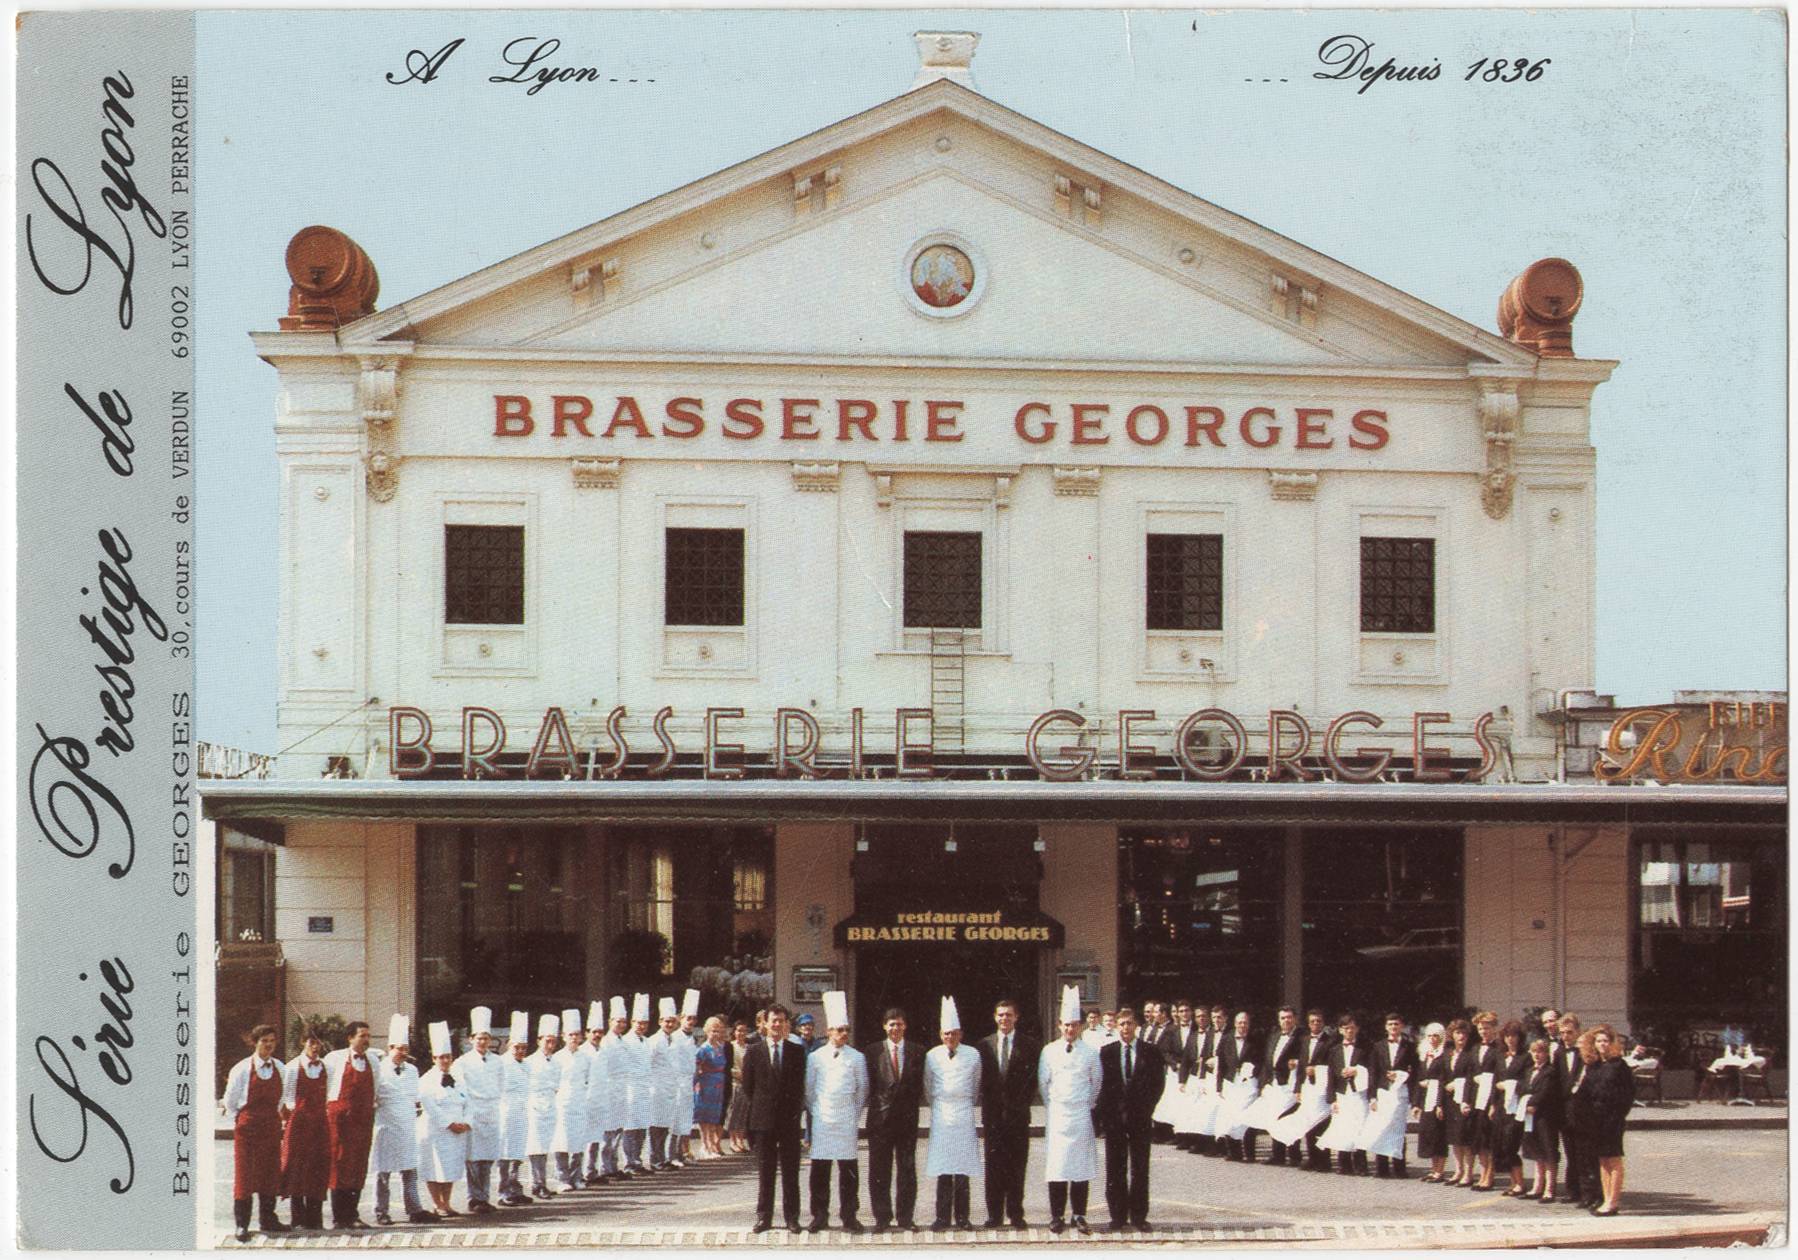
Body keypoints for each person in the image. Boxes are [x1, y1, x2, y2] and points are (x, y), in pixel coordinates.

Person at [805, 990, 870, 1231]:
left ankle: (849, 1215)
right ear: (829, 1031)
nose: (843, 1034)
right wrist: (818, 1111)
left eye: (846, 1030)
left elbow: (862, 1089)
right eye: (839, 1029)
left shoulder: (857, 1057)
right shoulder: (815, 1057)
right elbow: (809, 1091)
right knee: (820, 1170)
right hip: (822, 1118)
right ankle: (820, 1215)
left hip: (846, 1118)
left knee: (848, 1171)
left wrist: (852, 1114)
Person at [1039, 985, 1102, 1235]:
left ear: (1081, 1026)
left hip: (1080, 1114)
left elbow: (1096, 1083)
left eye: (1074, 1024)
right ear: (1059, 1025)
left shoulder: (1090, 1053)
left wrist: (1086, 1105)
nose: (1070, 1029)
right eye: (1066, 1024)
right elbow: (1044, 1084)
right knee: (1057, 1167)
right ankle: (1056, 1216)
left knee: (1080, 1168)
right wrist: (1054, 1106)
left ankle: (1079, 1215)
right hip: (1058, 1114)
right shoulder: (1049, 1051)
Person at [1097, 1006, 1163, 1232]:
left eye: (1129, 1023)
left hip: (1140, 1118)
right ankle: (1117, 1215)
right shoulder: (1106, 1052)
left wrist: (1147, 1109)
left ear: (1136, 1026)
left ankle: (1138, 1216)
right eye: (1122, 1024)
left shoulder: (1151, 1052)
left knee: (1139, 1168)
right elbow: (1102, 1087)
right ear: (1116, 1026)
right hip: (1115, 1120)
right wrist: (1105, 1117)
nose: (1126, 1028)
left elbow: (1158, 1084)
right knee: (1115, 1168)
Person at [744, 1003, 808, 1232]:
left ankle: (792, 1218)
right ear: (765, 1023)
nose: (777, 1025)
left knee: (791, 1172)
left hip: (788, 1121)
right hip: (763, 1121)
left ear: (787, 1024)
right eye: (774, 1021)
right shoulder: (753, 1051)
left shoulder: (796, 1051)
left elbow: (800, 1087)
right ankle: (764, 1217)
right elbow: (748, 1087)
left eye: (782, 1021)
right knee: (765, 1171)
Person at [976, 997, 1039, 1228]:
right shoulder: (983, 1046)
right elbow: (980, 1081)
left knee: (1016, 1166)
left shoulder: (1031, 1045)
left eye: (1009, 1015)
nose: (1005, 1019)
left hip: (1017, 1116)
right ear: (995, 1017)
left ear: (1016, 1017)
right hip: (993, 1117)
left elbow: (1033, 1082)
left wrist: (1019, 1105)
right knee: (993, 1166)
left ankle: (1015, 1213)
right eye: (1001, 1015)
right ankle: (994, 1215)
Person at [225, 1023, 290, 1241]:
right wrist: (243, 1120)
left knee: (269, 1175)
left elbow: (281, 1099)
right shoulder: (242, 1069)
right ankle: (242, 1224)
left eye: (272, 1041)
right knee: (245, 1176)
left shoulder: (280, 1068)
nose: (269, 1045)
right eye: (264, 1041)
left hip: (270, 1128)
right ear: (255, 1043)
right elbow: (230, 1101)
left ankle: (268, 1219)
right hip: (248, 1129)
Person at [924, 996, 983, 1230]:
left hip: (963, 1113)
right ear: (941, 1034)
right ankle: (941, 1218)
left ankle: (962, 1218)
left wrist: (966, 1102)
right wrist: (938, 1104)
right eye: (946, 1033)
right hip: (941, 1113)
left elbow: (976, 1084)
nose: (950, 1037)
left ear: (961, 1034)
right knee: (943, 1168)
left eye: (954, 1033)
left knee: (962, 1168)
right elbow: (928, 1086)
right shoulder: (932, 1055)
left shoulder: (973, 1054)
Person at [864, 1006, 924, 1232]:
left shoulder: (918, 1051)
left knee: (907, 1170)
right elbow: (868, 1084)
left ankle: (906, 1218)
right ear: (884, 1026)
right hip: (880, 1120)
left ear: (905, 1026)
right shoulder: (872, 1051)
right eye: (891, 1024)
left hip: (907, 1120)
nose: (895, 1028)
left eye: (899, 1024)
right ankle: (882, 1218)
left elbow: (920, 1086)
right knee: (879, 1171)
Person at [371, 1014, 433, 1226]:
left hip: (407, 1125)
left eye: (406, 1049)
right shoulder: (379, 1069)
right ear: (390, 1048)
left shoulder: (413, 1071)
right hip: (386, 1126)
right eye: (400, 1048)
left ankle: (414, 1209)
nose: (404, 1053)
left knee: (410, 1170)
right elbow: (374, 1097)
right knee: (383, 1172)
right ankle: (381, 1211)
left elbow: (414, 1098)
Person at [323, 1020, 378, 1230]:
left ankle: (353, 1214)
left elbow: (376, 1089)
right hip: (341, 1120)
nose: (366, 1040)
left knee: (358, 1166)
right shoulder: (335, 1058)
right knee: (339, 1165)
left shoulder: (372, 1061)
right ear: (350, 1038)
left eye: (367, 1036)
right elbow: (326, 1085)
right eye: (362, 1036)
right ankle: (339, 1217)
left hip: (362, 1120)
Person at [417, 1021, 472, 1217]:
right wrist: (449, 1124)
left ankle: (447, 1203)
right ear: (434, 1058)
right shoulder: (426, 1080)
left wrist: (466, 1122)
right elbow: (429, 1105)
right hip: (436, 1131)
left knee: (450, 1167)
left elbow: (468, 1102)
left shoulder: (459, 1079)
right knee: (434, 1167)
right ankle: (437, 1203)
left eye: (448, 1057)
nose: (445, 1060)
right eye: (441, 1057)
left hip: (457, 1131)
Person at [280, 1026, 332, 1232]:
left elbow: (327, 1093)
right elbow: (287, 1097)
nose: (315, 1047)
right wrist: (296, 1117)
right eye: (311, 1042)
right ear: (303, 1043)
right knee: (297, 1170)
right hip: (299, 1124)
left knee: (317, 1170)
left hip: (319, 1124)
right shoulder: (292, 1067)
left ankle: (315, 1218)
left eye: (318, 1043)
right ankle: (298, 1218)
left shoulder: (325, 1067)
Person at [453, 1006, 502, 1214]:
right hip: (473, 1111)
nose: (482, 1042)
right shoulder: (462, 1062)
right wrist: (466, 1110)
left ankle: (484, 1196)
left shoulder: (498, 1061)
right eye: (479, 1038)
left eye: (486, 1038)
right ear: (471, 1039)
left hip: (491, 1111)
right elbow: (459, 1089)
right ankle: (474, 1198)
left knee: (488, 1159)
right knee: (473, 1159)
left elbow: (502, 1084)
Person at [1364, 1012, 1419, 1179]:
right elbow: (1372, 1073)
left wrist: (1402, 1075)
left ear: (1401, 1026)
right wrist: (1372, 1097)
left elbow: (1415, 1072)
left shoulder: (1409, 1046)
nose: (1393, 1027)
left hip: (1400, 1093)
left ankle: (1399, 1167)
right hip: (1383, 1093)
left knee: (1398, 1130)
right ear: (1386, 1027)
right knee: (1381, 1127)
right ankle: (1382, 1168)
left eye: (1396, 1024)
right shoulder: (1378, 1046)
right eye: (1390, 1025)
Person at [1587, 1026, 1634, 1215]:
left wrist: (1619, 1113)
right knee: (1602, 1160)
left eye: (1605, 1041)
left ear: (1612, 1043)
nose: (1602, 1044)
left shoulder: (1619, 1065)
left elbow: (1629, 1093)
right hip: (1596, 1118)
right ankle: (1606, 1199)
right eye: (1598, 1041)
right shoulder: (1594, 1065)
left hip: (1613, 1117)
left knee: (1614, 1159)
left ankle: (1613, 1202)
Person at [1319, 1011, 1373, 1176]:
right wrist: (1332, 1099)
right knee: (1342, 1128)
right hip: (1342, 1094)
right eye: (1346, 1028)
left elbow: (1371, 1071)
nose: (1349, 1031)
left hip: (1358, 1094)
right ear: (1341, 1030)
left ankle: (1361, 1165)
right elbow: (1331, 1075)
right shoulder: (1334, 1050)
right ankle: (1345, 1165)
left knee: (1359, 1128)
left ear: (1357, 1029)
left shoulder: (1365, 1049)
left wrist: (1357, 1071)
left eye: (1352, 1028)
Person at [1256, 1007, 1305, 1167]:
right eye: (1283, 1018)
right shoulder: (1274, 1036)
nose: (1286, 1021)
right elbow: (1267, 1061)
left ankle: (1294, 1155)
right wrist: (1263, 1083)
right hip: (1274, 1084)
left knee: (1288, 1118)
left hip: (1290, 1084)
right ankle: (1278, 1155)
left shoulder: (1302, 1037)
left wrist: (1297, 1063)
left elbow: (1307, 1058)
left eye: (1289, 1017)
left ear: (1295, 1019)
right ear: (1279, 1020)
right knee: (1275, 1117)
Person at [1216, 1010, 1264, 1162]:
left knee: (1248, 1117)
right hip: (1231, 1082)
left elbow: (1262, 1063)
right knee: (1230, 1115)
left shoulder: (1256, 1040)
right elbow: (1221, 1064)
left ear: (1249, 1024)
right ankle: (1234, 1152)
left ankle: (1250, 1154)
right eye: (1240, 1022)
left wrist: (1256, 1076)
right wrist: (1219, 1086)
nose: (1242, 1025)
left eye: (1245, 1022)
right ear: (1235, 1024)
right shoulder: (1226, 1039)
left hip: (1249, 1083)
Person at [495, 1011, 533, 1206]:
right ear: (509, 1045)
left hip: (522, 1112)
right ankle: (504, 1191)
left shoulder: (527, 1066)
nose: (520, 1051)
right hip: (506, 1112)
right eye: (517, 1047)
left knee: (517, 1154)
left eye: (524, 1048)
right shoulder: (501, 1064)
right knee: (505, 1153)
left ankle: (515, 1187)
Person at [524, 1013, 563, 1197]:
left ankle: (542, 1183)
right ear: (539, 1040)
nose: (550, 1045)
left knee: (544, 1148)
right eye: (547, 1041)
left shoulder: (556, 1062)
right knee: (535, 1148)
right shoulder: (529, 1062)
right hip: (534, 1107)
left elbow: (556, 1086)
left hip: (549, 1107)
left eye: (553, 1041)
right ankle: (536, 1184)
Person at [552, 1005, 590, 1189]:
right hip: (562, 1104)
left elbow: (588, 1079)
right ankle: (563, 1179)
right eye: (570, 1035)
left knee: (578, 1142)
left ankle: (577, 1176)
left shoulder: (585, 1057)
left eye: (577, 1034)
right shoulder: (557, 1058)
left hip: (580, 1102)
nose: (574, 1038)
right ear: (563, 1036)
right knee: (562, 1142)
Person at [1519, 1038, 1560, 1201]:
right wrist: (1525, 1103)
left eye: (1541, 1052)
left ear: (1546, 1054)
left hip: (1545, 1117)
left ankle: (1549, 1189)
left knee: (1548, 1151)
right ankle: (1537, 1186)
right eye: (1534, 1051)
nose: (1537, 1055)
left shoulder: (1550, 1071)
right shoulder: (1529, 1071)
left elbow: (1546, 1092)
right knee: (1537, 1152)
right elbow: (1523, 1088)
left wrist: (1532, 1103)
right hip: (1530, 1117)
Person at [596, 996, 632, 1180]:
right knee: (607, 1132)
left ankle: (613, 1165)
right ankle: (604, 1167)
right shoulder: (605, 1042)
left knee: (618, 1130)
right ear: (610, 1022)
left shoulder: (623, 1042)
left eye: (624, 1021)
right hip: (609, 1089)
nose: (621, 1024)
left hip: (621, 1089)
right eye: (618, 1021)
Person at [1493, 1020, 1530, 1195]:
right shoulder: (1501, 1056)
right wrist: (1493, 1105)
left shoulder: (1526, 1057)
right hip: (1501, 1106)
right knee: (1502, 1144)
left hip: (1517, 1108)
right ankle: (1513, 1182)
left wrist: (1509, 1085)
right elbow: (1495, 1081)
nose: (1510, 1039)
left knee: (1511, 1144)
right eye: (1507, 1036)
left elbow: (1527, 1082)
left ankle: (1520, 1183)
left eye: (1514, 1036)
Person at [1552, 1013, 1586, 1204]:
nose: (1566, 1036)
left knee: (1583, 1153)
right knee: (1570, 1153)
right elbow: (1556, 1081)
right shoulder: (1558, 1053)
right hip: (1564, 1112)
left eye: (1570, 1032)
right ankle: (1572, 1191)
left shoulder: (1584, 1052)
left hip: (1581, 1111)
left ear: (1578, 1032)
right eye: (1563, 1033)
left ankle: (1585, 1192)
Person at [620, 994, 655, 1175]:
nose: (641, 1026)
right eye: (638, 1022)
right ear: (632, 1022)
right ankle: (628, 1162)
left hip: (644, 1088)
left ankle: (637, 1159)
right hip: (631, 1088)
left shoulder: (648, 1042)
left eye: (644, 1023)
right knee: (630, 1127)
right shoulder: (625, 1042)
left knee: (642, 1127)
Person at [1468, 1011, 1503, 1191]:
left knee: (1489, 1139)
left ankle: (1489, 1176)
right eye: (1481, 1028)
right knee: (1479, 1139)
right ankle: (1482, 1174)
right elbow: (1470, 1073)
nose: (1483, 1031)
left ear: (1494, 1028)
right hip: (1477, 1098)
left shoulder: (1499, 1049)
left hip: (1490, 1098)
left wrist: (1494, 1103)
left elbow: (1499, 1076)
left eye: (1487, 1028)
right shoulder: (1474, 1048)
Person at [647, 997, 683, 1171]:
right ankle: (655, 1159)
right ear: (660, 1021)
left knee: (665, 1125)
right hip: (657, 1088)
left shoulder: (675, 1040)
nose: (670, 1024)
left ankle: (663, 1157)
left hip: (670, 1089)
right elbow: (647, 1064)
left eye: (672, 1022)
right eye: (667, 1021)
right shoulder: (654, 1041)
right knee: (656, 1126)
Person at [1413, 1023, 1450, 1183]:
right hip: (1426, 1098)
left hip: (1438, 1099)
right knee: (1429, 1134)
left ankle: (1440, 1171)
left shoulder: (1445, 1055)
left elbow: (1444, 1079)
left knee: (1439, 1135)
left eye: (1436, 1036)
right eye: (1430, 1036)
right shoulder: (1424, 1054)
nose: (1433, 1039)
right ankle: (1433, 1169)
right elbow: (1419, 1079)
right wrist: (1416, 1103)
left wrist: (1440, 1104)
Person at [1443, 1018, 1477, 1186]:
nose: (1461, 1036)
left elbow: (1471, 1077)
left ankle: (1469, 1173)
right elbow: (1442, 1074)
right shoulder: (1448, 1052)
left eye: (1464, 1033)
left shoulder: (1471, 1053)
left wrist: (1464, 1095)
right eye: (1457, 1032)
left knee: (1466, 1138)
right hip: (1450, 1101)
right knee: (1455, 1138)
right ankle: (1458, 1170)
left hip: (1465, 1099)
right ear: (1452, 1035)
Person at [672, 990, 703, 1164]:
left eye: (693, 1019)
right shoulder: (675, 1038)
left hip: (688, 1083)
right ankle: (676, 1153)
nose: (691, 1022)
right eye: (688, 1018)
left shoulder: (692, 1039)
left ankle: (685, 1151)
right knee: (676, 1119)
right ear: (681, 1018)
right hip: (677, 1084)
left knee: (686, 1120)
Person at [694, 1015, 731, 1158]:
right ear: (707, 1031)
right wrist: (696, 1083)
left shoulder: (721, 1047)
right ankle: (705, 1145)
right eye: (713, 1031)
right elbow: (697, 1068)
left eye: (719, 1031)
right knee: (705, 1117)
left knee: (714, 1116)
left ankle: (711, 1145)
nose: (716, 1034)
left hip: (719, 1084)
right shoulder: (703, 1049)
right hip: (706, 1084)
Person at [580, 1001, 608, 1184]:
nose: (597, 1035)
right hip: (585, 1100)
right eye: (594, 1031)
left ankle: (592, 1170)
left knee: (597, 1138)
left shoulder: (604, 1051)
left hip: (600, 1099)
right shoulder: (582, 1053)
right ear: (586, 1033)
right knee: (583, 1139)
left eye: (600, 1032)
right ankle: (582, 1172)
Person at [724, 1020, 753, 1154]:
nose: (741, 1033)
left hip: (746, 1083)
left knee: (743, 1113)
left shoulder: (749, 1047)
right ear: (734, 1032)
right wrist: (738, 1074)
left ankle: (740, 1139)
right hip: (735, 1082)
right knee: (734, 1112)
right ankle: (733, 1140)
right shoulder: (730, 1046)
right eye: (739, 1030)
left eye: (744, 1030)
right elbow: (728, 1066)